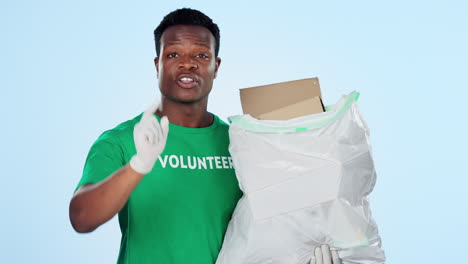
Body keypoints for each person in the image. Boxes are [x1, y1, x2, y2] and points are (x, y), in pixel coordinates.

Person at [69, 8, 341, 264]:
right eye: (173, 54)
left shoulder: (242, 142)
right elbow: (82, 218)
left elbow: (275, 224)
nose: (187, 64)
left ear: (216, 66)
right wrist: (139, 165)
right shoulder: (121, 141)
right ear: (157, 64)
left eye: (201, 55)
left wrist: (309, 250)